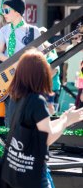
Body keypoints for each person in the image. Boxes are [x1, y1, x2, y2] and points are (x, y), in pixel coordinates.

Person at [7, 49, 83, 187]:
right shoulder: (37, 101)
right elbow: (45, 139)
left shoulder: (16, 96)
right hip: (35, 171)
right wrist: (66, 121)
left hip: (17, 168)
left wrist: (64, 118)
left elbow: (37, 130)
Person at [0, 0, 41, 125]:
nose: (4, 14)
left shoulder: (33, 31)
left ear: (17, 12)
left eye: (6, 10)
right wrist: (12, 62)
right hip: (9, 78)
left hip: (27, 78)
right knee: (10, 115)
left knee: (27, 113)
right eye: (3, 11)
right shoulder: (4, 30)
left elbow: (41, 54)